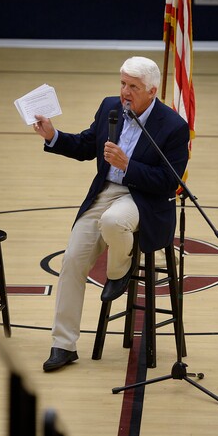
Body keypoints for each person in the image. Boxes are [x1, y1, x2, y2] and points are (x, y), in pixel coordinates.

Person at [33, 56, 190, 372]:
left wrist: (127, 165)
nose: (125, 92)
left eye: (133, 86)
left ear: (152, 91)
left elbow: (168, 182)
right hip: (105, 193)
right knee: (73, 260)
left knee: (114, 221)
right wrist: (53, 135)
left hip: (144, 200)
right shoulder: (110, 108)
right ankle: (63, 345)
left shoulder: (174, 126)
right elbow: (85, 145)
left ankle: (118, 271)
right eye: (122, 83)